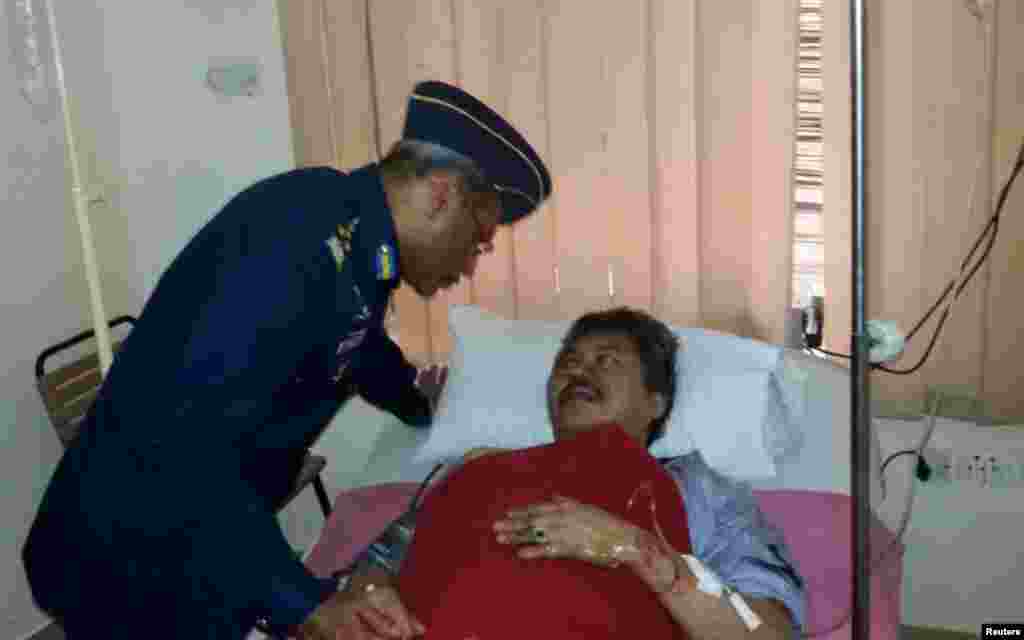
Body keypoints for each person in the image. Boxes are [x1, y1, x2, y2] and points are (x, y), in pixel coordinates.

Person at [21, 80, 552, 639]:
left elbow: (357, 344)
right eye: (477, 239)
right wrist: (303, 604)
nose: (470, 264)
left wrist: (419, 403)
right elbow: (190, 444)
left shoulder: (354, 241)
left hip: (204, 541)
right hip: (128, 550)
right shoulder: (293, 239)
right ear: (441, 194)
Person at [317, 308, 806, 640]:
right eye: (568, 363)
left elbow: (768, 631)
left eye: (606, 362)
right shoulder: (474, 471)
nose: (578, 373)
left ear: (655, 401)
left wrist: (633, 548)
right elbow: (375, 566)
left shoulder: (701, 491)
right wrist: (370, 596)